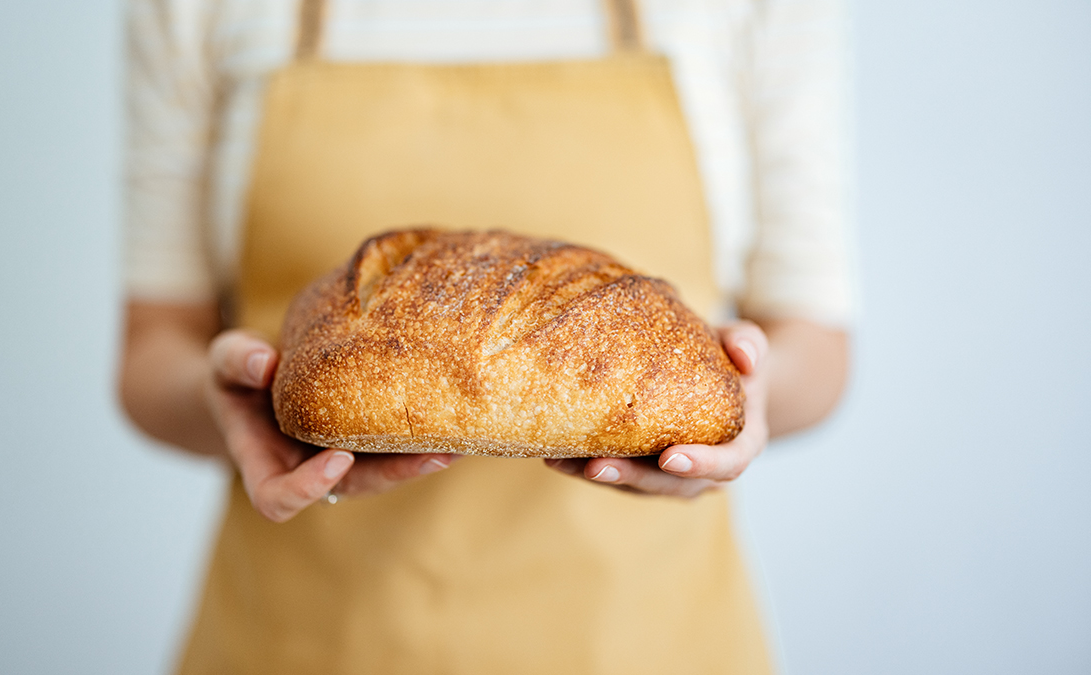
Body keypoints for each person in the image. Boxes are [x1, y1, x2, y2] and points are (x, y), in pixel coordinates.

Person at [118, 0, 853, 672]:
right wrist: (227, 399)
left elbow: (816, 348)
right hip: (301, 639)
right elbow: (152, 350)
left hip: (646, 640)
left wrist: (743, 396)